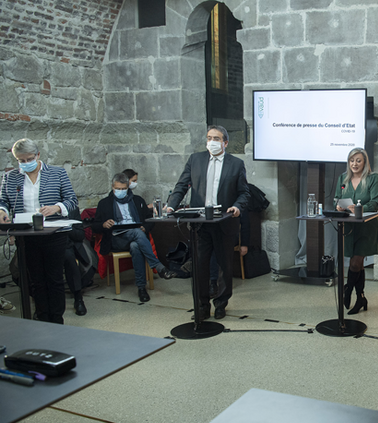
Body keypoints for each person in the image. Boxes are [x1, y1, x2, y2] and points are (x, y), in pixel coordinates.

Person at [167, 125, 250, 320]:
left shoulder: (236, 164)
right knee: (200, 266)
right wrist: (171, 205)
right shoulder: (195, 160)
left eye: (216, 138)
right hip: (200, 223)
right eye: (209, 138)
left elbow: (244, 192)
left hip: (224, 222)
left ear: (225, 143)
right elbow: (182, 185)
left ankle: (220, 304)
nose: (211, 142)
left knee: (224, 267)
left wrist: (237, 207)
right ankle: (201, 306)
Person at [0, 138, 78, 324]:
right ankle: (42, 317)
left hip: (53, 233)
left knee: (54, 278)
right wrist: (2, 211)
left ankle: (57, 319)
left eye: (29, 159)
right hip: (26, 235)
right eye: (21, 160)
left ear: (38, 155)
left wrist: (56, 207)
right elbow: (3, 201)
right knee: (35, 280)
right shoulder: (11, 177)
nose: (25, 164)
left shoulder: (57, 173)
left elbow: (71, 200)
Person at [92, 173, 175, 302]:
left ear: (128, 187)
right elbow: (94, 226)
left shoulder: (137, 201)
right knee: (137, 233)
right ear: (112, 187)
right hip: (116, 239)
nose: (120, 191)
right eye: (117, 189)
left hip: (136, 238)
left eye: (123, 189)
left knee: (136, 245)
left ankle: (141, 288)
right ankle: (159, 267)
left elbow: (149, 220)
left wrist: (145, 228)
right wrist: (104, 224)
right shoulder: (105, 203)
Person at [334, 147, 378, 315]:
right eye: (352, 160)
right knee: (358, 264)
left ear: (365, 162)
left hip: (366, 227)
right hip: (348, 227)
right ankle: (361, 297)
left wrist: (358, 208)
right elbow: (336, 200)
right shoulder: (343, 178)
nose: (354, 164)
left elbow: (375, 203)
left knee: (355, 262)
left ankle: (347, 290)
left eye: (358, 160)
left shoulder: (373, 178)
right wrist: (339, 207)